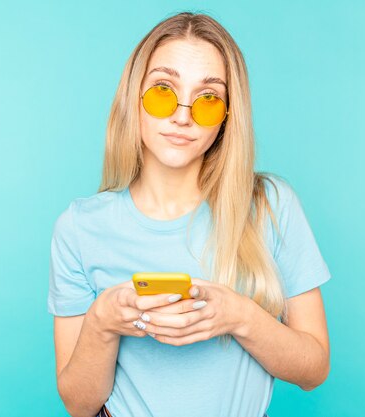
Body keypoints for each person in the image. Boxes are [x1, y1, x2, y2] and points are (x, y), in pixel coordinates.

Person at [48, 11, 332, 417]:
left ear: (228, 115)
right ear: (134, 97)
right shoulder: (79, 228)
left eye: (208, 98)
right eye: (164, 90)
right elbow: (79, 405)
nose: (182, 116)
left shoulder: (270, 205)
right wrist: (102, 322)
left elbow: (314, 369)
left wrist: (238, 316)